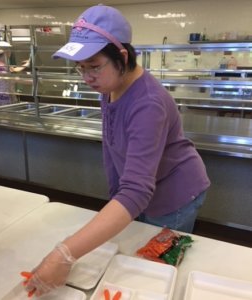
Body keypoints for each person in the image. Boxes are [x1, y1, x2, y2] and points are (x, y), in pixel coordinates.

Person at [25, 4, 210, 297]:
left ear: (122, 56)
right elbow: (112, 150)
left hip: (174, 193)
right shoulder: (111, 86)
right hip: (146, 189)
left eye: (94, 66)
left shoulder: (147, 103)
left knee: (153, 267)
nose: (87, 77)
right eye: (81, 68)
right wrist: (117, 197)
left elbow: (136, 191)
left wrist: (64, 254)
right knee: (132, 248)